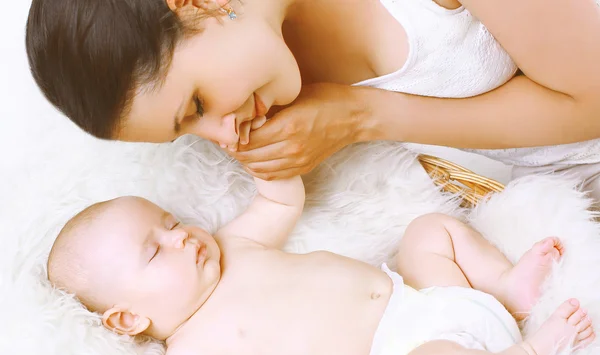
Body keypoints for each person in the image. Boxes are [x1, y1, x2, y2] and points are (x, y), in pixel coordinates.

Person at [47, 175, 594, 355]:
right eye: (155, 250)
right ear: (127, 318)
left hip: (428, 301)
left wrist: (270, 162)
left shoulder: (233, 244)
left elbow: (282, 199)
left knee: (428, 232)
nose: (182, 237)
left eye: (170, 223)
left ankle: (504, 288)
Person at [25, 0, 600, 196]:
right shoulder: (268, 72)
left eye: (197, 107)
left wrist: (363, 118)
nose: (226, 138)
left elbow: (592, 99)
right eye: (189, 133)